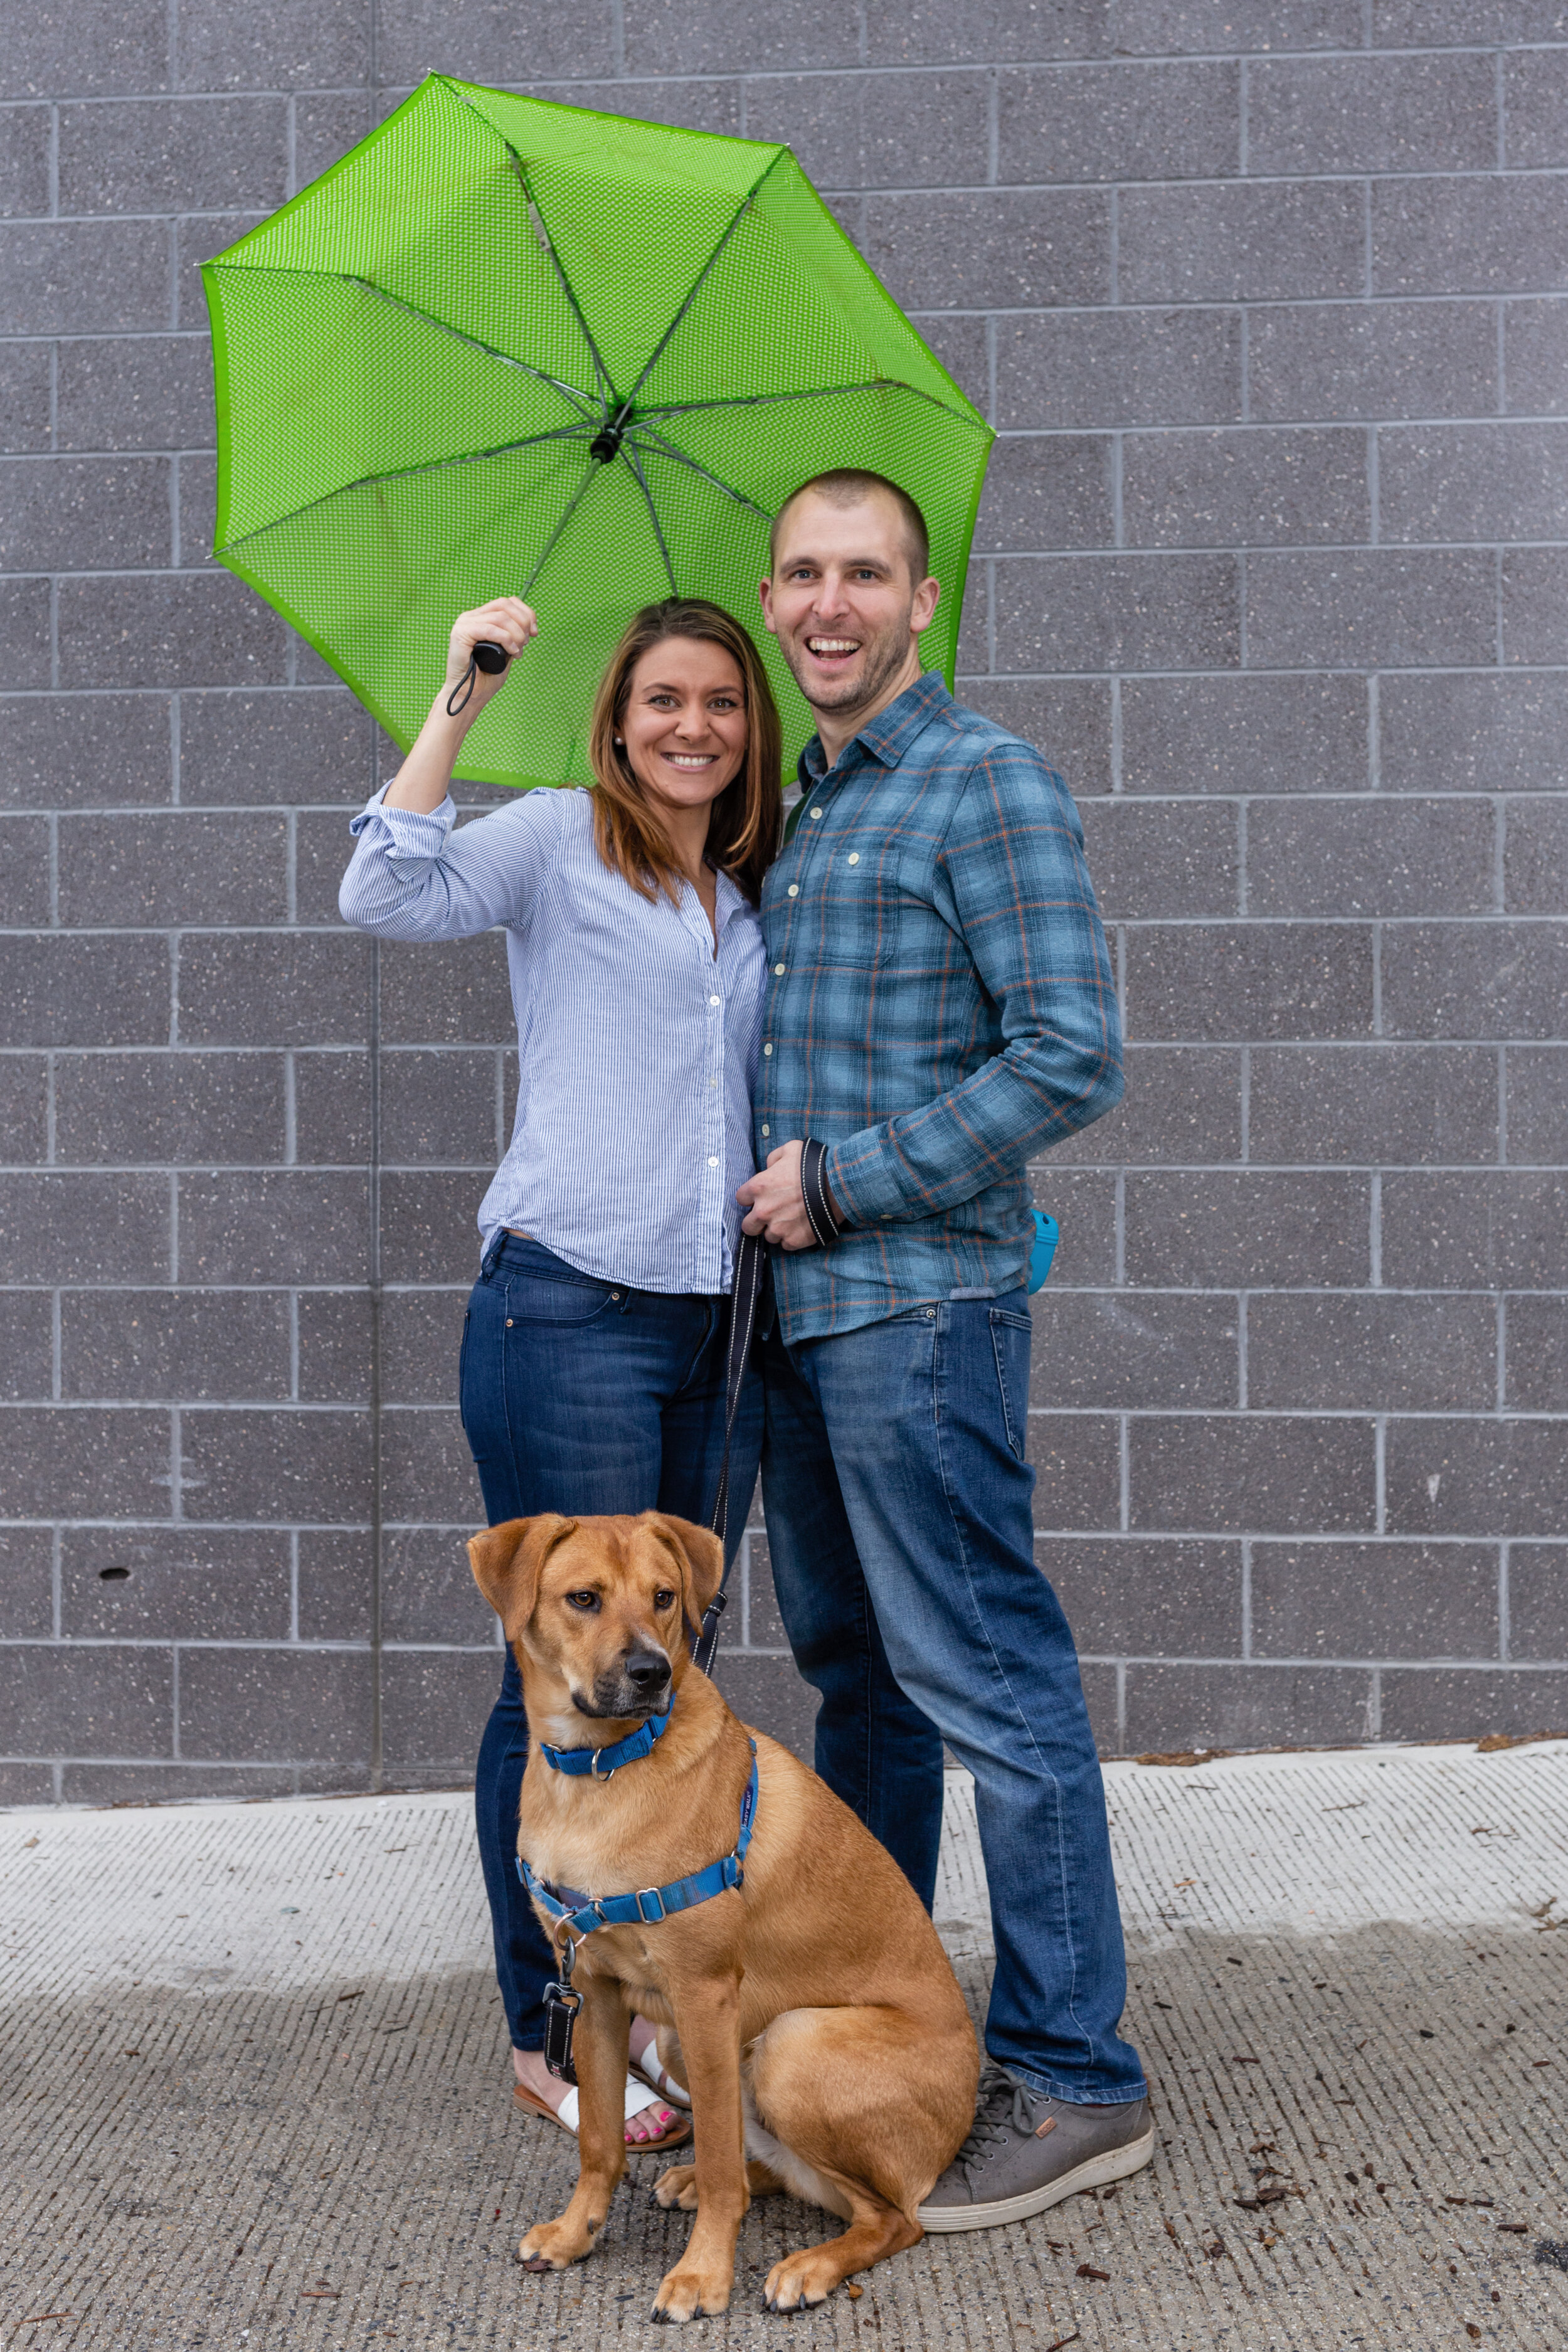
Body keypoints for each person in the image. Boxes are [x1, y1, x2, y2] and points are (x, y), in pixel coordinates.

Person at [736, 469, 1151, 2227]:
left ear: (921, 600)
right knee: (863, 1675)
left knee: (989, 1674)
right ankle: (880, 2004)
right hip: (805, 1326)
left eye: (864, 574)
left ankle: (1074, 2074)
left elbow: (1070, 1049)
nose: (828, 602)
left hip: (917, 1309)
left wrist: (842, 1181)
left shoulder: (982, 782)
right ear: (772, 598)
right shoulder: (805, 812)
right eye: (801, 572)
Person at [339, 593, 780, 2152]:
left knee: (663, 1673)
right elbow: (382, 889)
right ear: (617, 715)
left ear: (751, 725)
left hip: (717, 1328)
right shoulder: (551, 838)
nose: (692, 727)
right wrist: (458, 687)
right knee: (561, 1673)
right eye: (664, 699)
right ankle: (548, 2030)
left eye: (722, 702)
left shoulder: (750, 886)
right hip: (567, 1311)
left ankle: (645, 2002)